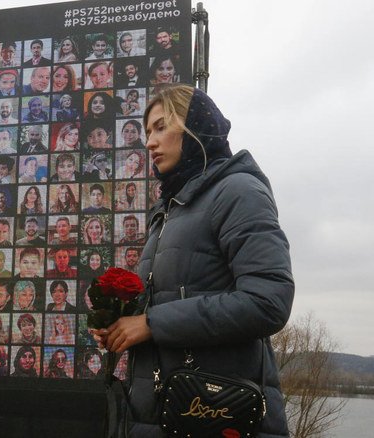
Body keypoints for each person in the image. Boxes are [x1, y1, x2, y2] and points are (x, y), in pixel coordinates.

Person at [91, 85, 293, 435]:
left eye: (160, 127)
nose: (150, 142)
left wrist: (151, 323)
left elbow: (268, 301)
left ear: (197, 127)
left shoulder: (238, 191)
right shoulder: (171, 208)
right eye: (147, 132)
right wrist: (122, 324)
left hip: (215, 417)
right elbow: (175, 298)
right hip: (160, 418)